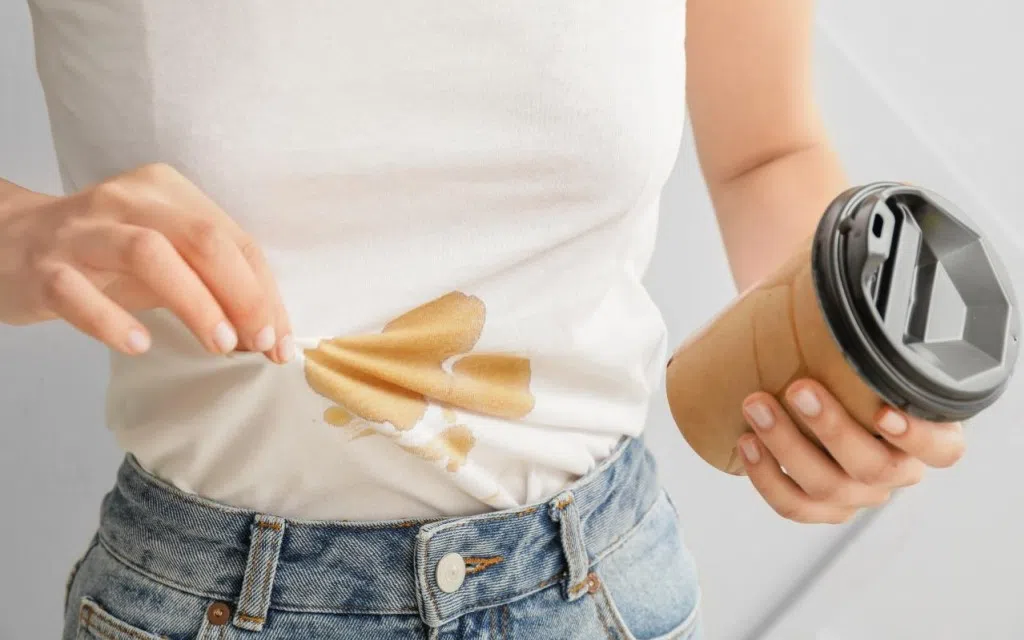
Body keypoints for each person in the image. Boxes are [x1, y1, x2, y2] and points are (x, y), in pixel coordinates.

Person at [1, 0, 966, 638]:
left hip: (599, 588)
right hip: (214, 596)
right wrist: (21, 234)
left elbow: (769, 150)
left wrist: (834, 372)